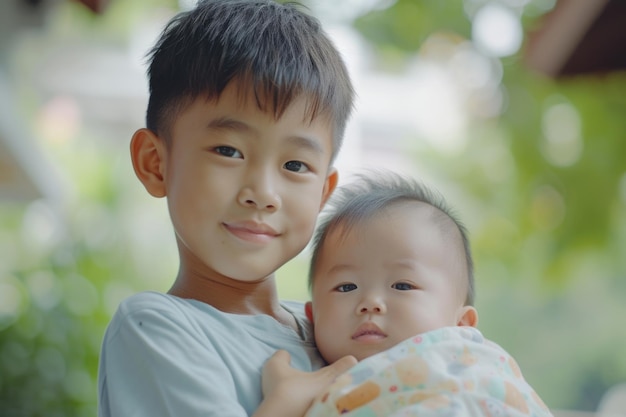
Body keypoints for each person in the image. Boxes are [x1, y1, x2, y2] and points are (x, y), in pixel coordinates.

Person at [97, 1, 358, 416]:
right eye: (228, 150)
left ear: (323, 193)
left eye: (295, 165)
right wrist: (284, 407)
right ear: (155, 163)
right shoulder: (155, 329)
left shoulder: (333, 330)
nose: (262, 193)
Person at [260, 171, 554, 417]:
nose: (370, 303)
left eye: (402, 286)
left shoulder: (473, 369)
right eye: (347, 287)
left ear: (461, 325)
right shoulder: (315, 386)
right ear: (312, 318)